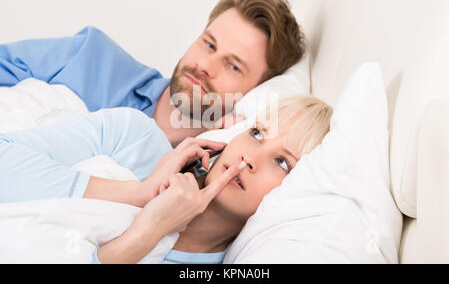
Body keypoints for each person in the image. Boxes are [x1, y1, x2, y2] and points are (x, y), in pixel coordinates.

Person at [0, 94, 333, 263]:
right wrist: (140, 194)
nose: (249, 158)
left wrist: (148, 232)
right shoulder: (134, 138)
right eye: (257, 133)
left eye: (282, 163)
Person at [0, 0, 306, 147]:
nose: (205, 66)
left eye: (233, 66)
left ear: (257, 91)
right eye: (209, 44)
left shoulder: (201, 179)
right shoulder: (90, 56)